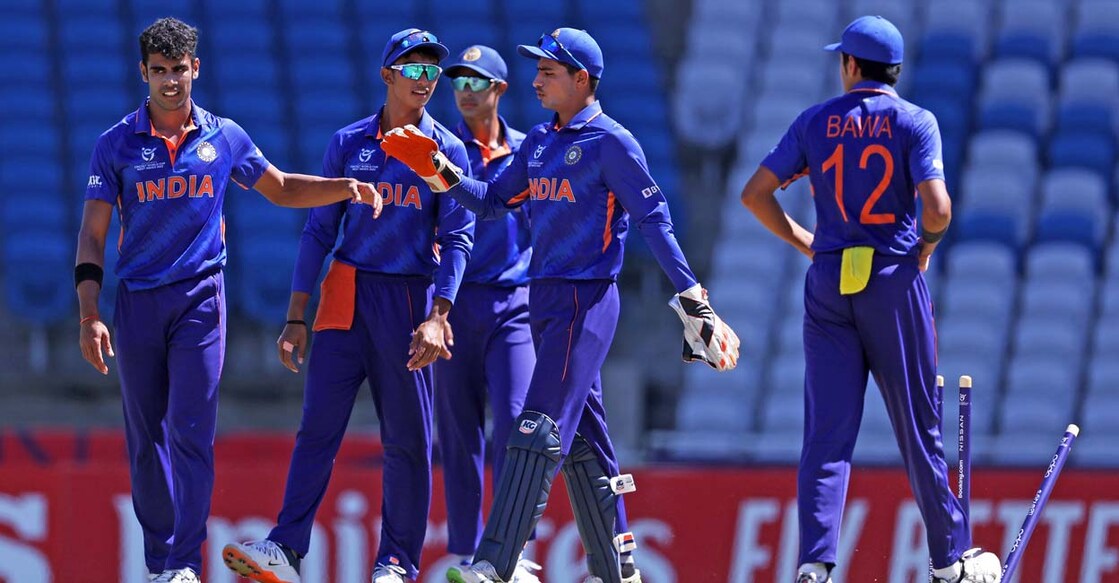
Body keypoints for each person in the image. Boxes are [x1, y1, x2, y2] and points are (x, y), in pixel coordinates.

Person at [381, 28, 740, 583]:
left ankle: (495, 563)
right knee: (581, 445)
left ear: (582, 79)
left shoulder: (612, 142)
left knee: (537, 426)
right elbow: (494, 201)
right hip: (544, 300)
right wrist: (438, 170)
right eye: (537, 70)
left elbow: (655, 223)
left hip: (586, 299)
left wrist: (695, 301)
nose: (537, 81)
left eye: (548, 72)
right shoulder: (540, 142)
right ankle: (616, 568)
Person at [74, 17, 382, 583]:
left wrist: (345, 187)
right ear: (143, 72)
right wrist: (90, 313)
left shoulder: (224, 137)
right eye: (159, 71)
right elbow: (92, 234)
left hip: (200, 299)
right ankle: (158, 563)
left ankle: (185, 566)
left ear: (197, 68)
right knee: (146, 441)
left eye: (179, 70)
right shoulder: (114, 145)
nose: (170, 82)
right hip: (137, 302)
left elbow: (283, 187)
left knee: (191, 432)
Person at [738, 16, 1001, 583]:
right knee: (917, 424)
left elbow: (755, 194)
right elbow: (939, 209)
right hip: (891, 279)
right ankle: (950, 559)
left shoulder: (814, 122)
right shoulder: (916, 122)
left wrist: (805, 241)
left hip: (830, 281)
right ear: (894, 71)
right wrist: (926, 247)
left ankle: (814, 563)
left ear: (851, 65)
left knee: (827, 432)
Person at [220, 28, 474, 583]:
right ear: (387, 75)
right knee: (317, 429)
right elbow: (318, 231)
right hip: (345, 293)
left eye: (433, 70)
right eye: (413, 68)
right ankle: (285, 550)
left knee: (406, 440)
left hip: (409, 298)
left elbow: (458, 237)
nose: (426, 80)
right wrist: (294, 316)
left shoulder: (448, 151)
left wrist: (439, 315)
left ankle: (396, 564)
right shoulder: (350, 143)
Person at [436, 44, 541, 583]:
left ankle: (511, 551)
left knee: (518, 424)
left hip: (513, 305)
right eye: (459, 81)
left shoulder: (526, 151)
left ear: (499, 90)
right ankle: (466, 551)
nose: (465, 90)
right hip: (453, 307)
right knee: (457, 432)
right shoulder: (443, 148)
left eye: (477, 81)